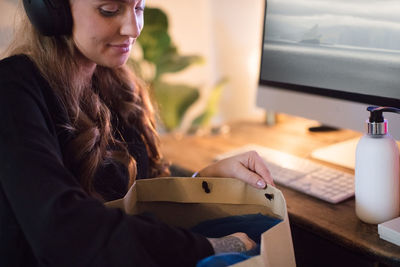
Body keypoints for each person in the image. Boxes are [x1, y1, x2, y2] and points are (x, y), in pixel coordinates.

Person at [0, 0, 274, 266]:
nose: (133, 28)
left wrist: (202, 180)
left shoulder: (116, 84)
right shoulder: (11, 90)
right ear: (50, 8)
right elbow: (64, 230)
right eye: (110, 10)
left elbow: (141, 205)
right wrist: (211, 247)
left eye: (139, 7)